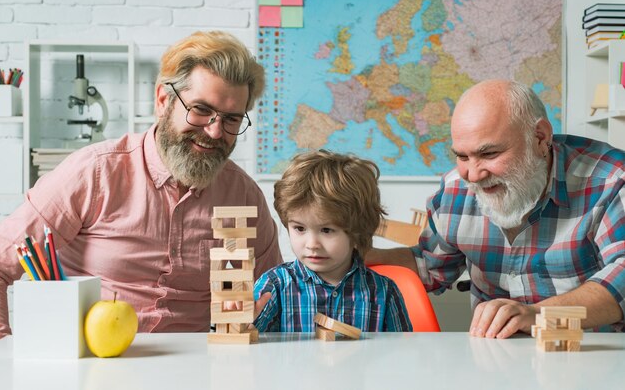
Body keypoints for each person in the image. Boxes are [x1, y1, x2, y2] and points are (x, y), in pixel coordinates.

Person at [0, 31, 283, 339]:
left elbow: (274, 292)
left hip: (197, 371)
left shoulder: (244, 196)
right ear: (163, 100)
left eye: (231, 119)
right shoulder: (93, 173)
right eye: (201, 110)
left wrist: (258, 316)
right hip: (93, 368)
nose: (215, 132)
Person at [367, 79, 625, 338]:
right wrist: (358, 255)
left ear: (540, 137)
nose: (474, 175)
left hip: (594, 359)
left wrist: (537, 316)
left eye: (489, 154)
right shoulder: (455, 190)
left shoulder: (611, 180)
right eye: (462, 156)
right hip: (495, 362)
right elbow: (430, 264)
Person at [250, 150, 412, 332]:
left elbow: (402, 355)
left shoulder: (384, 293)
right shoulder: (274, 286)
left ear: (358, 232)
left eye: (327, 230)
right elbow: (244, 348)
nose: (311, 244)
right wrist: (239, 325)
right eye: (299, 229)